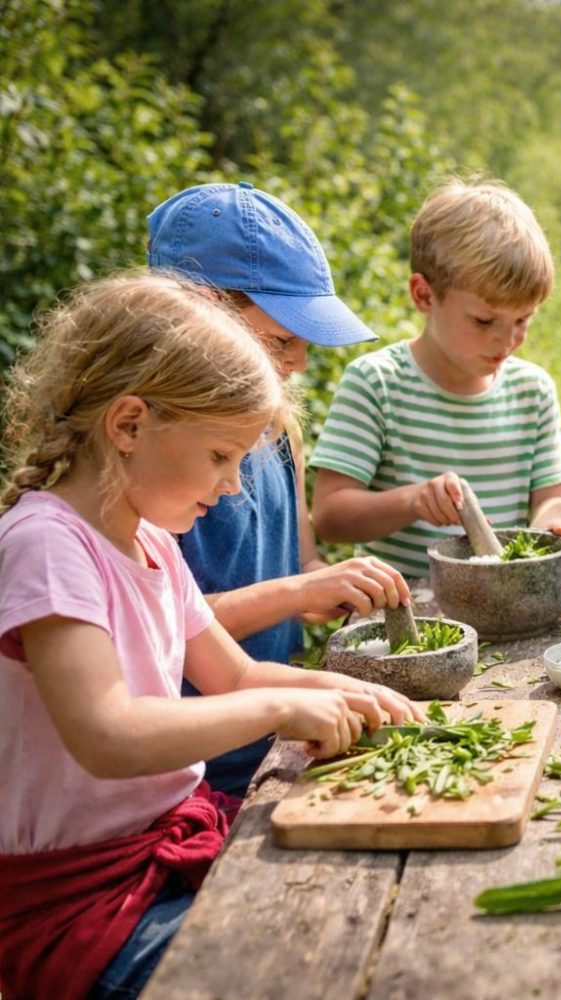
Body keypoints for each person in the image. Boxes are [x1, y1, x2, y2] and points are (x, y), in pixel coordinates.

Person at [0, 272, 417, 999]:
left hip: (164, 845)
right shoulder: (46, 545)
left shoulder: (152, 542)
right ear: (128, 425)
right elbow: (108, 732)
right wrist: (281, 712)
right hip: (79, 901)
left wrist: (352, 688)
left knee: (360, 920)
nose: (231, 487)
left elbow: (235, 675)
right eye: (221, 456)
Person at [148, 181, 412, 797]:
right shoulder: (151, 467)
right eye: (279, 341)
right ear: (195, 319)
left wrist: (327, 589)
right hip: (190, 773)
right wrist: (296, 592)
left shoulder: (280, 435)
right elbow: (162, 627)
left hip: (282, 743)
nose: (297, 363)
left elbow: (302, 564)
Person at [309, 178, 561, 590]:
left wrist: (556, 534)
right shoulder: (377, 384)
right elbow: (330, 516)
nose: (507, 341)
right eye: (484, 321)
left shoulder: (533, 391)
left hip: (508, 606)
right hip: (409, 623)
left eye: (522, 320)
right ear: (424, 296)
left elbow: (550, 499)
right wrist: (413, 500)